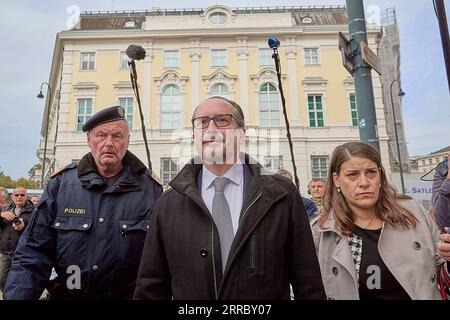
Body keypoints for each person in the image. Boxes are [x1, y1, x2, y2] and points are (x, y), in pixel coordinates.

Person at [134, 96, 325, 300]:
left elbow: (307, 281)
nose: (211, 129)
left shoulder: (282, 194)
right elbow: (152, 287)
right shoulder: (169, 203)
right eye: (202, 122)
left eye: (222, 120)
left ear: (241, 134)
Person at [3, 106, 163, 300]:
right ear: (89, 140)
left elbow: (161, 264)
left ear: (127, 141)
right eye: (101, 135)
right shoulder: (61, 185)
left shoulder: (151, 190)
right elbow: (33, 253)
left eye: (117, 136)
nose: (108, 143)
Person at [312, 142, 443, 300]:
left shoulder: (413, 212)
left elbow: (442, 271)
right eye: (352, 174)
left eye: (371, 172)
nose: (364, 183)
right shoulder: (321, 232)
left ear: (380, 175)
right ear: (337, 179)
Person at [0, 187, 34, 292]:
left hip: (21, 253)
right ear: (12, 197)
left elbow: (37, 230)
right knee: (2, 280)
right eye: (16, 195)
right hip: (4, 252)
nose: (19, 197)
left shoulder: (34, 211)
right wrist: (1, 215)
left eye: (22, 195)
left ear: (26, 196)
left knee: (18, 282)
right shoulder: (6, 209)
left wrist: (24, 223)